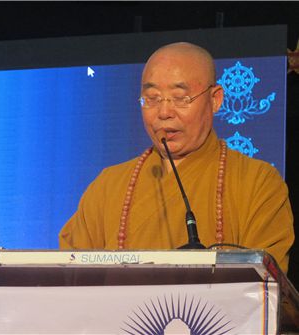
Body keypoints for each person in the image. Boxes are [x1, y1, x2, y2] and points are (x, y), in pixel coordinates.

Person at [59, 42, 294, 272]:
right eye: (151, 98)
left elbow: (263, 292)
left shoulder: (258, 183)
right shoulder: (107, 187)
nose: (163, 113)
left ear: (215, 100)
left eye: (181, 98)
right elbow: (69, 278)